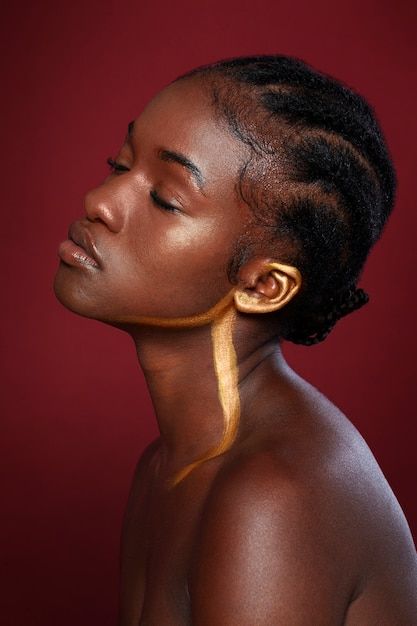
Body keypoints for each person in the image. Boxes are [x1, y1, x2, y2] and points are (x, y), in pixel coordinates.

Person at [54, 55, 417, 625]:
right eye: (119, 164)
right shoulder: (165, 467)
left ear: (264, 286)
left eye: (165, 199)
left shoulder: (273, 495)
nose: (99, 201)